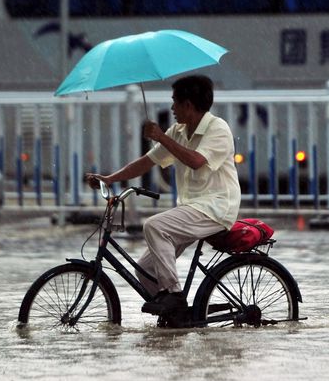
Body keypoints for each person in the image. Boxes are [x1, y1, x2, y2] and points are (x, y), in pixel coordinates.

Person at [85, 74, 241, 316]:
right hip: (192, 208)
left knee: (155, 225)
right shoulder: (179, 131)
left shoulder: (217, 129)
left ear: (188, 105)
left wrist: (161, 137)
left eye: (175, 102)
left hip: (216, 208)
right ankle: (176, 317)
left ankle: (174, 295)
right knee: (145, 269)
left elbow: (197, 161)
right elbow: (148, 162)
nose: (172, 108)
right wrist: (109, 178)